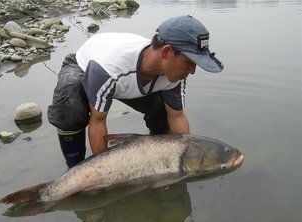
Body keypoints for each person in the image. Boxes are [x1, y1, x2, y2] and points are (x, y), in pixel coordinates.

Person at [47, 15, 224, 168]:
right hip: (86, 68)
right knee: (69, 110)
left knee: (163, 109)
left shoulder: (174, 75)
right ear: (166, 52)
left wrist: (186, 158)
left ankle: (160, 157)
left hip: (126, 80)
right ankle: (74, 168)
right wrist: (103, 172)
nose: (192, 71)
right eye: (190, 62)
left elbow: (177, 117)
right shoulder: (110, 67)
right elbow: (98, 122)